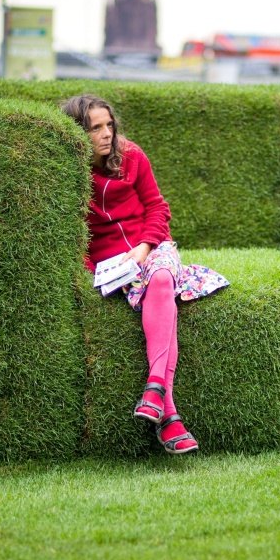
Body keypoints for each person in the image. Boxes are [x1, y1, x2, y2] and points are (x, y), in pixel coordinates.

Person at [61, 94, 229, 455]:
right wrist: (103, 269)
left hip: (152, 248)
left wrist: (145, 248)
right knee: (161, 291)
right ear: (77, 133)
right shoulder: (67, 175)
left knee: (163, 279)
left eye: (109, 125)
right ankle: (169, 416)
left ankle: (154, 388)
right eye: (95, 128)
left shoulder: (132, 155)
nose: (106, 134)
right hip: (111, 266)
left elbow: (157, 206)